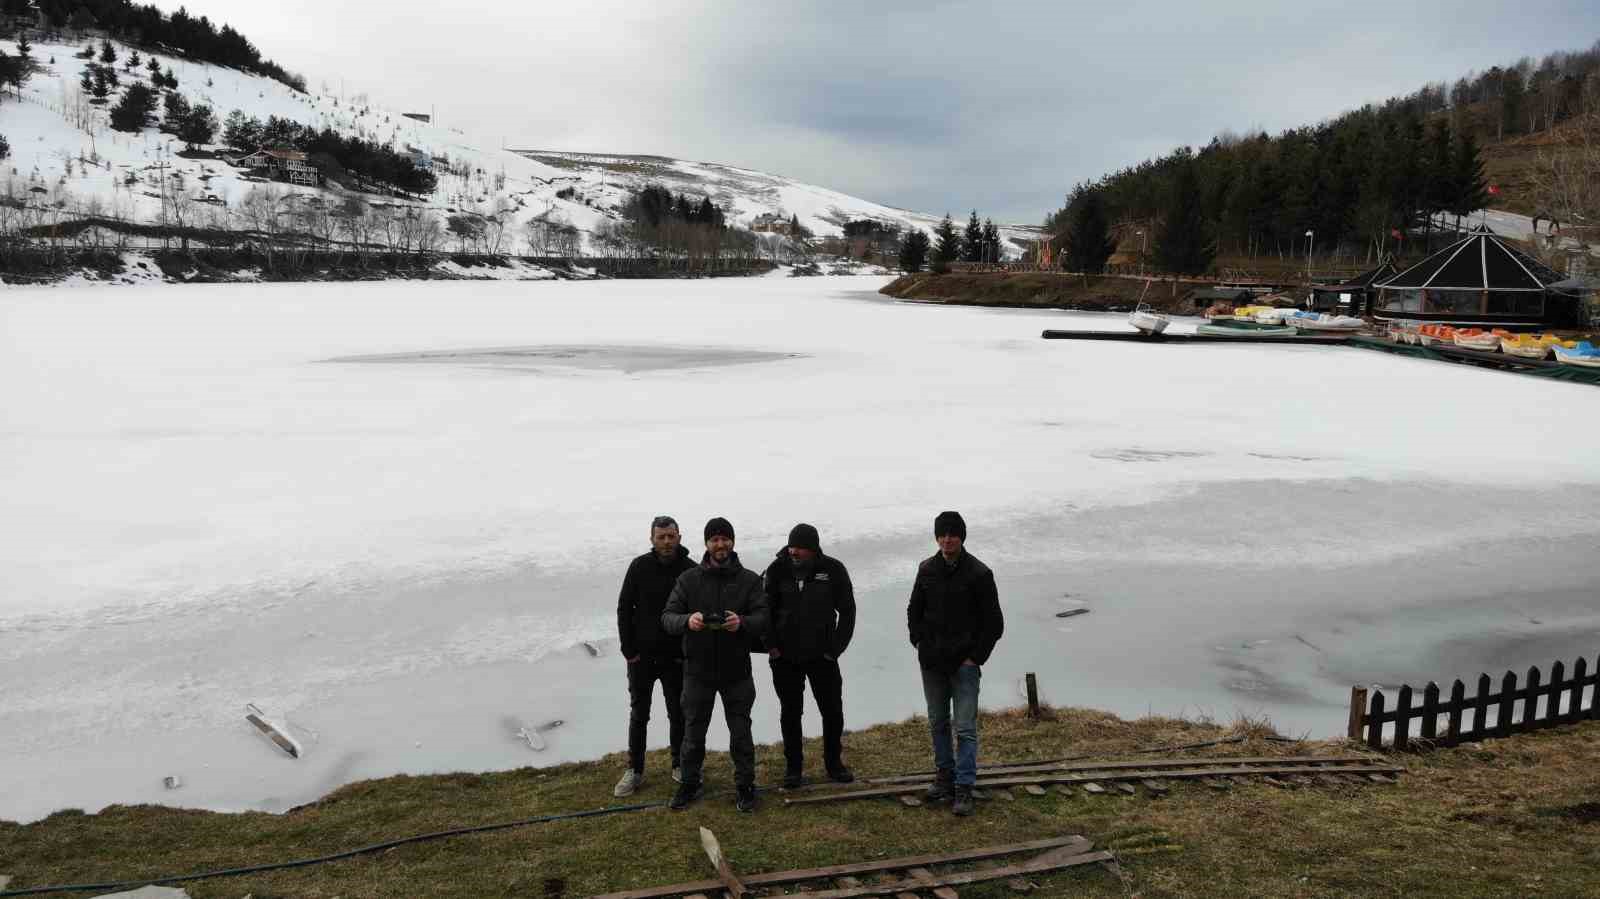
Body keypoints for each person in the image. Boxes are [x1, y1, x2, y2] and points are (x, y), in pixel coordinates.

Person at [661, 517, 770, 813]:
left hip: (737, 672)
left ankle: (746, 786)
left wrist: (742, 623)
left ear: (732, 542)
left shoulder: (749, 580)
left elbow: (764, 618)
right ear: (706, 544)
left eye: (725, 539)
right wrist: (688, 620)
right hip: (698, 672)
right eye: (714, 540)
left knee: (741, 733)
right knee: (693, 733)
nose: (720, 545)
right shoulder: (688, 580)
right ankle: (689, 784)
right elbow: (668, 617)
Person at [906, 511, 1003, 817]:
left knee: (965, 728)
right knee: (937, 722)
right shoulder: (926, 569)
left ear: (962, 537)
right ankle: (944, 777)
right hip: (932, 662)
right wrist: (919, 642)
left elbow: (994, 623)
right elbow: (914, 611)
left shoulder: (979, 574)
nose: (947, 539)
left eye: (953, 534)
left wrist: (975, 657)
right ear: (937, 537)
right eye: (942, 534)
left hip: (964, 665)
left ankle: (964, 786)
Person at [763, 523, 857, 788]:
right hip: (785, 657)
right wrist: (772, 647)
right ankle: (793, 768)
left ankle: (834, 764)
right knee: (790, 712)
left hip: (822, 656)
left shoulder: (833, 569)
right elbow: (764, 611)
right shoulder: (777, 569)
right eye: (792, 546)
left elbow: (848, 612)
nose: (794, 552)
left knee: (832, 711)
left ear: (813, 549)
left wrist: (834, 649)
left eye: (800, 548)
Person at [612, 515, 697, 798]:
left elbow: (696, 614)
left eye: (671, 536)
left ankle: (679, 764)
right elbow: (624, 608)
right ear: (652, 539)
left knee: (678, 713)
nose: (666, 541)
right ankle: (634, 770)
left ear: (679, 537)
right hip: (642, 658)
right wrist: (629, 651)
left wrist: (689, 653)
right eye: (661, 537)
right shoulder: (639, 566)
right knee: (639, 714)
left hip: (676, 657)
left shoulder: (690, 570)